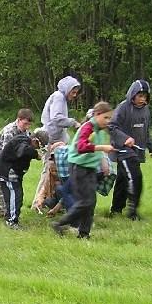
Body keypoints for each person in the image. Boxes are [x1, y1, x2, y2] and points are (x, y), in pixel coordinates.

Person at [51, 101, 116, 239]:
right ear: (97, 115)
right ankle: (60, 224)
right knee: (85, 202)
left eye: (110, 118)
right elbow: (81, 147)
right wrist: (102, 148)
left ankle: (84, 234)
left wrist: (103, 161)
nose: (108, 121)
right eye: (106, 117)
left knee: (91, 202)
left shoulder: (99, 129)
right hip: (79, 168)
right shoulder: (88, 127)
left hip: (90, 168)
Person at [109, 80, 152, 220]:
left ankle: (116, 210)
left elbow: (146, 130)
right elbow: (112, 126)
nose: (142, 99)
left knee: (123, 179)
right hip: (123, 151)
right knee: (135, 177)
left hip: (137, 151)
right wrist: (125, 139)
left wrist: (151, 147)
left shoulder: (146, 110)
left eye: (145, 96)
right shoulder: (123, 108)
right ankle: (133, 211)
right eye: (139, 95)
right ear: (133, 94)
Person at [0, 128, 47, 229]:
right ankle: (12, 221)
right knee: (16, 197)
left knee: (13, 197)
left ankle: (10, 217)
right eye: (38, 146)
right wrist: (36, 155)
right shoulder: (23, 143)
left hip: (9, 172)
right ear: (35, 141)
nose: (37, 149)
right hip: (8, 172)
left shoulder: (24, 140)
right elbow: (22, 152)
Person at [0, 109, 35, 218]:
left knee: (10, 191)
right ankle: (5, 214)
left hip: (11, 164)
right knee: (2, 190)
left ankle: (7, 213)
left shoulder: (26, 133)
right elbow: (7, 153)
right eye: (25, 124)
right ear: (19, 120)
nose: (27, 127)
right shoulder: (9, 131)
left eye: (29, 124)